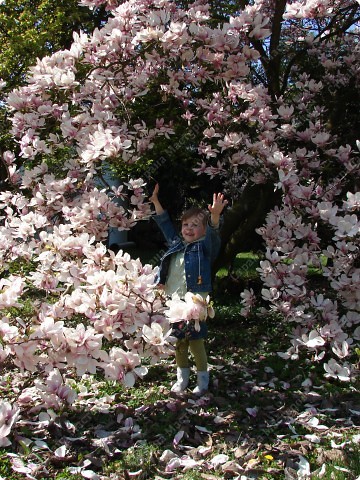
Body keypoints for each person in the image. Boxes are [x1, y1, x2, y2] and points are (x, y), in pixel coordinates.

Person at [149, 184, 227, 395]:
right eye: (185, 224)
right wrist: (156, 202)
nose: (189, 228)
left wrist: (215, 216)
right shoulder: (177, 244)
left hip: (194, 303)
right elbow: (165, 224)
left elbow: (213, 234)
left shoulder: (205, 247)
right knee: (179, 342)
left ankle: (202, 380)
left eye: (195, 225)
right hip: (174, 301)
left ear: (203, 229)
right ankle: (182, 378)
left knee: (196, 342)